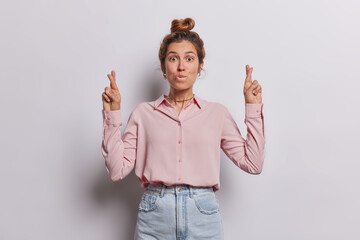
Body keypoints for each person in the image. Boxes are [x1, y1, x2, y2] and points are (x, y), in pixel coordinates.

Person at [101, 17, 265, 240]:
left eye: (189, 58)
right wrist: (112, 115)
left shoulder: (217, 113)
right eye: (173, 58)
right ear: (163, 66)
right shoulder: (143, 113)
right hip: (154, 216)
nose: (181, 66)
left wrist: (253, 107)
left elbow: (253, 164)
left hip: (203, 215)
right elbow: (116, 170)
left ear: (200, 66)